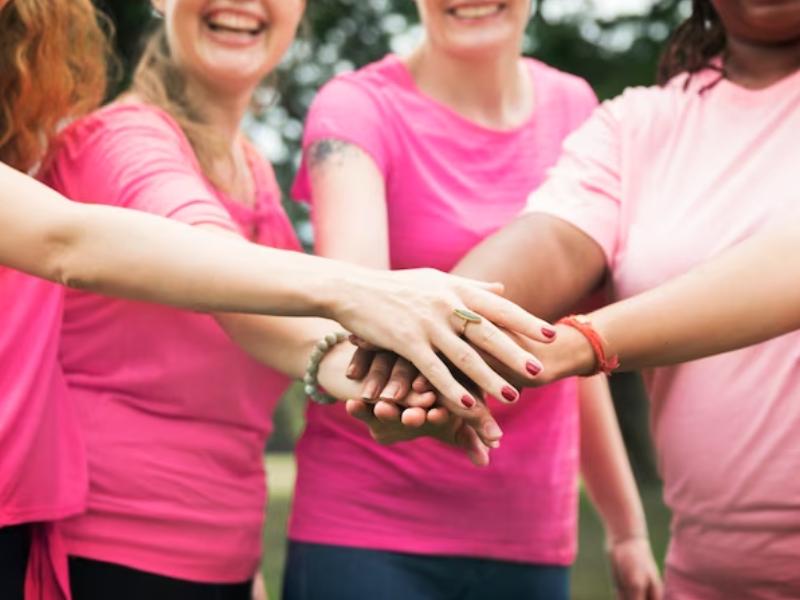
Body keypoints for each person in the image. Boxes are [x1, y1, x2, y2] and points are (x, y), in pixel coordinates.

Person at [0, 1, 553, 597]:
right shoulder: (120, 139)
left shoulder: (252, 165)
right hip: (109, 553)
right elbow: (221, 280)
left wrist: (391, 378)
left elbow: (273, 336)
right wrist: (371, 301)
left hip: (221, 555)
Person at [358, 0, 800, 596]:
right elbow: (553, 243)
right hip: (712, 573)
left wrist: (581, 342)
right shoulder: (640, 123)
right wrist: (430, 341)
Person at [286, 1, 661, 598]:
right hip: (367, 532)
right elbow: (357, 299)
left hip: (529, 532)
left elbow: (562, 345)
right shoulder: (356, 108)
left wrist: (626, 527)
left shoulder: (575, 107)